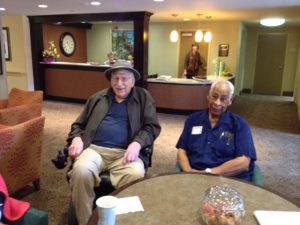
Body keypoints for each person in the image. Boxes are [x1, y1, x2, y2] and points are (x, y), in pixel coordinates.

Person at [66, 61, 161, 225]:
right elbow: (78, 125)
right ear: (110, 81)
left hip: (125, 153)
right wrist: (76, 138)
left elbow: (152, 127)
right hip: (94, 149)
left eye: (124, 79)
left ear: (132, 82)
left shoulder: (143, 97)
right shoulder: (97, 98)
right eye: (116, 78)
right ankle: (86, 221)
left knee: (135, 173)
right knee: (81, 170)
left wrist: (137, 143)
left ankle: (121, 220)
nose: (119, 84)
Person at [176, 80, 257, 181]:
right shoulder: (193, 119)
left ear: (230, 101)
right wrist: (188, 172)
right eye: (214, 96)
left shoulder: (239, 124)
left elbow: (244, 162)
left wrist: (209, 172)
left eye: (223, 99)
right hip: (194, 176)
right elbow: (182, 151)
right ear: (208, 96)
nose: (217, 103)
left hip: (228, 179)